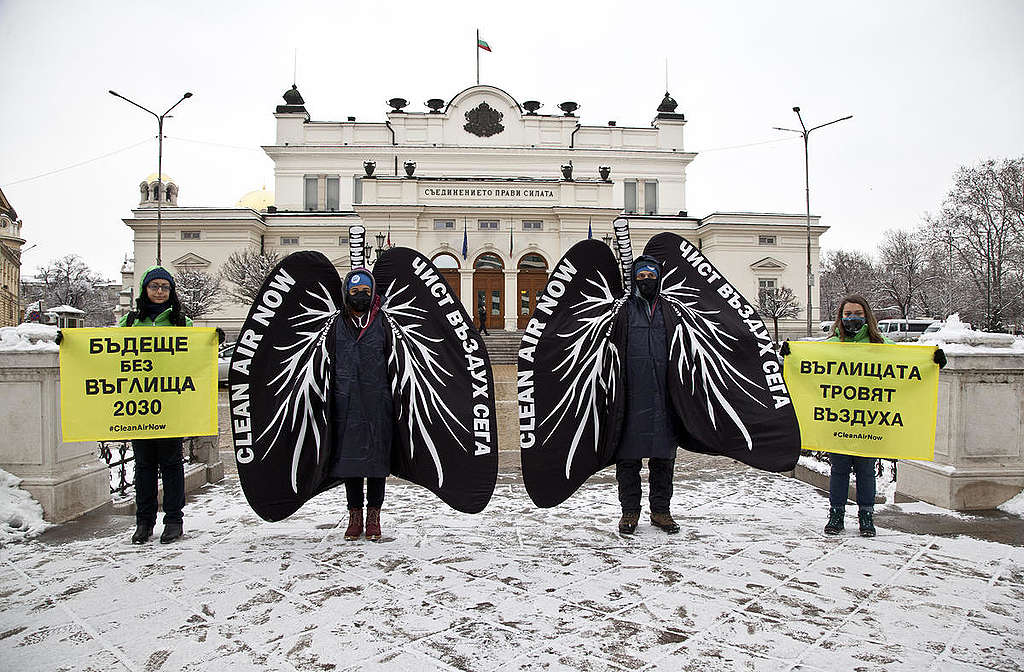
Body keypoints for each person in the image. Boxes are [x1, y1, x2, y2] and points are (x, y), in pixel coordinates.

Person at [782, 294, 945, 537]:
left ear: (866, 315)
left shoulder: (880, 346)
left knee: (866, 470)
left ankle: (866, 517)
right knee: (839, 469)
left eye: (857, 313)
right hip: (838, 417)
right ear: (841, 317)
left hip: (869, 420)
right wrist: (789, 355)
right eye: (848, 314)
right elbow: (808, 365)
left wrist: (933, 362)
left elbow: (907, 367)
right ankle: (836, 515)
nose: (852, 318)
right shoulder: (832, 345)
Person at [121, 266, 193, 544]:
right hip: (139, 403)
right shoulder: (129, 322)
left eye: (165, 287)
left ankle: (174, 520)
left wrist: (213, 341)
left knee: (172, 463)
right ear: (145, 290)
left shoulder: (180, 322)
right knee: (144, 465)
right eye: (155, 287)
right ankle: (144, 521)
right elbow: (105, 355)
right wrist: (68, 345)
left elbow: (193, 358)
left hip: (170, 403)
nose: (160, 291)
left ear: (171, 291)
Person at [616, 257, 680, 535]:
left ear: (658, 277)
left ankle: (661, 512)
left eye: (650, 274)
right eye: (640, 275)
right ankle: (629, 512)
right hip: (630, 396)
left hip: (664, 397)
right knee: (628, 460)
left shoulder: (671, 310)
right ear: (634, 279)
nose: (646, 279)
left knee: (663, 460)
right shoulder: (623, 310)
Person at [329, 269, 393, 541]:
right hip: (346, 401)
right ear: (346, 294)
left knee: (377, 462)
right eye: (355, 292)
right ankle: (354, 515)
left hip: (377, 400)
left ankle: (374, 515)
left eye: (365, 292)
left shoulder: (383, 322)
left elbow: (396, 357)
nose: (360, 297)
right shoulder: (335, 323)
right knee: (350, 462)